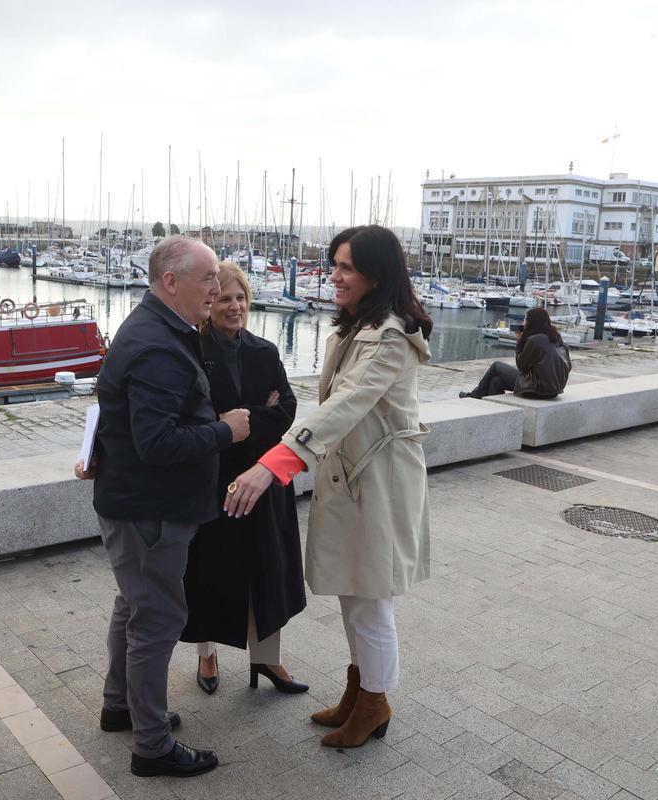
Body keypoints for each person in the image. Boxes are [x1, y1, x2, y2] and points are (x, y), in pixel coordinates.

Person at [225, 224, 433, 749]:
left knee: (370, 600)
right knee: (353, 592)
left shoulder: (391, 338)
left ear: (375, 275)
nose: (334, 276)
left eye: (346, 267)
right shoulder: (353, 330)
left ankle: (375, 702)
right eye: (334, 264)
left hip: (377, 485)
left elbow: (348, 403)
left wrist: (276, 463)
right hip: (354, 480)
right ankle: (360, 692)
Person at [87, 236, 250, 778]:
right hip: (150, 511)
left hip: (135, 503)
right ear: (169, 282)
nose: (216, 288)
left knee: (134, 607)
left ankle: (122, 707)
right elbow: (157, 442)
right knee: (156, 620)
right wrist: (224, 431)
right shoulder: (158, 344)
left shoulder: (156, 329)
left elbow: (118, 417)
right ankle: (151, 746)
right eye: (207, 279)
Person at [181, 262, 308, 697]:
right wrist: (247, 417)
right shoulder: (191, 351)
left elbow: (287, 409)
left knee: (268, 570)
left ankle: (267, 659)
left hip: (264, 478)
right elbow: (192, 419)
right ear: (209, 301)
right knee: (208, 572)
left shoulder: (265, 351)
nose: (234, 306)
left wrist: (238, 420)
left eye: (241, 298)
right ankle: (207, 653)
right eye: (224, 298)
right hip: (212, 481)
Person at [460, 307, 571, 399]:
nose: (523, 322)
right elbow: (568, 366)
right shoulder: (557, 339)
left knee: (496, 366)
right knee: (496, 381)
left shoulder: (535, 340)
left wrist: (519, 340)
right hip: (554, 390)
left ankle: (474, 395)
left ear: (532, 322)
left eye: (525, 320)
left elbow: (522, 366)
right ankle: (493, 408)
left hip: (538, 389)